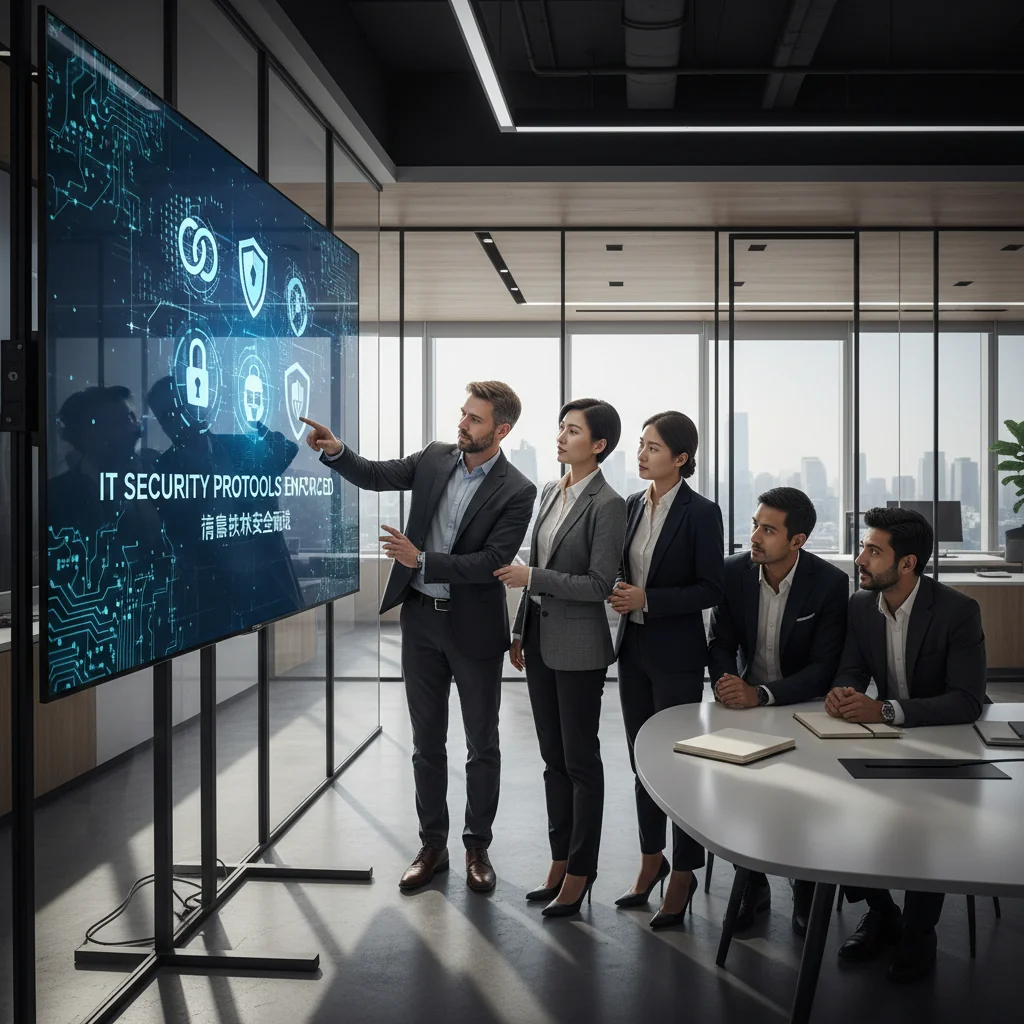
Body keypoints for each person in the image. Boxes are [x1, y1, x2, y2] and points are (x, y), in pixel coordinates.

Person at [301, 382, 537, 894]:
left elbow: (492, 563)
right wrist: (337, 450)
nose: (462, 424)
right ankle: (433, 844)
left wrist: (422, 560)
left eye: (474, 419)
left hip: (473, 628)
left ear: (501, 430)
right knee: (426, 743)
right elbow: (376, 475)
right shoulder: (434, 458)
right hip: (422, 622)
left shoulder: (518, 490)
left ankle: (478, 846)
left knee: (482, 744)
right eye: (463, 414)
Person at [825, 505, 986, 982]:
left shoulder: (958, 610)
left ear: (908, 563)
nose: (860, 559)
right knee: (833, 807)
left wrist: (888, 711)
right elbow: (852, 668)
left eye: (873, 551)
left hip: (946, 740)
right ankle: (881, 912)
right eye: (862, 548)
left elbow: (967, 700)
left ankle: (919, 932)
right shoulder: (860, 605)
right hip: (886, 739)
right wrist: (844, 690)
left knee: (926, 823)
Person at [496, 399, 627, 918]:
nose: (560, 436)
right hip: (541, 642)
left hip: (580, 649)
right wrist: (518, 629)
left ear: (597, 445)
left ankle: (581, 869)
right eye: (560, 428)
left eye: (572, 431)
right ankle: (558, 859)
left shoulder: (608, 503)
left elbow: (598, 584)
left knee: (580, 762)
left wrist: (532, 579)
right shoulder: (551, 490)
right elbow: (541, 565)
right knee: (553, 761)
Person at [707, 487, 850, 936]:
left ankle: (805, 888)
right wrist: (728, 682)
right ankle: (753, 886)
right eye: (754, 524)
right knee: (739, 792)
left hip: (803, 703)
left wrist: (763, 695)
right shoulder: (733, 573)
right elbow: (720, 643)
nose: (754, 536)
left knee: (802, 797)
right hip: (745, 703)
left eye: (768, 530)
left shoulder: (828, 583)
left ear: (797, 540)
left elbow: (825, 667)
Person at [609, 411, 725, 929]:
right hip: (632, 647)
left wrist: (648, 598)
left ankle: (683, 871)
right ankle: (650, 859)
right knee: (641, 762)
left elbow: (711, 589)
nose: (641, 454)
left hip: (676, 654)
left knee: (676, 766)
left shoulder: (702, 513)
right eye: (640, 445)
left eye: (652, 447)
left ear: (680, 458)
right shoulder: (632, 506)